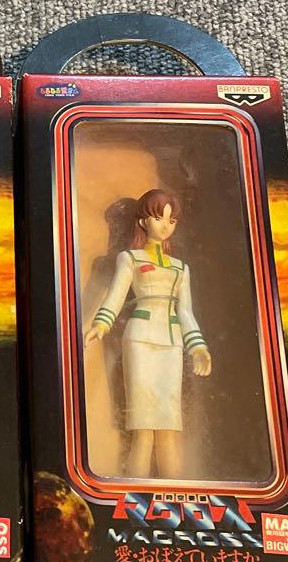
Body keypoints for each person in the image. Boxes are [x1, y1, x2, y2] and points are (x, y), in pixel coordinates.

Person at [84, 187, 211, 479]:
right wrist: (100, 325)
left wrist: (198, 347)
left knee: (168, 429)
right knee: (143, 430)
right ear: (143, 221)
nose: (165, 226)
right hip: (139, 340)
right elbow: (115, 297)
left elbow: (186, 312)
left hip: (172, 344)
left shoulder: (181, 268)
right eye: (158, 218)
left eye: (171, 220)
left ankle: (172, 495)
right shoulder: (129, 258)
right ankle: (137, 493)